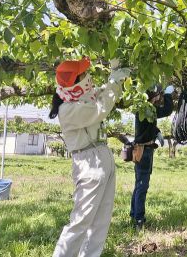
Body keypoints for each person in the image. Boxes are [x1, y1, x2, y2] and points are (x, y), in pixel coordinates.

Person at [49, 57, 130, 257]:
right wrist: (115, 79)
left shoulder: (78, 98)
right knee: (81, 220)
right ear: (75, 81)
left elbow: (100, 94)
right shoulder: (67, 109)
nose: (88, 75)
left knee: (101, 221)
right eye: (83, 73)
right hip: (89, 162)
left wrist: (114, 80)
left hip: (101, 156)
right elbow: (100, 108)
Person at [130, 84, 174, 230]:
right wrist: (168, 95)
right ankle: (139, 220)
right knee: (142, 185)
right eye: (159, 95)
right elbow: (167, 110)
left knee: (139, 184)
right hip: (144, 151)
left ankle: (134, 214)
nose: (159, 97)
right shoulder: (147, 109)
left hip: (142, 149)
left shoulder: (144, 109)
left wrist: (157, 132)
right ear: (153, 96)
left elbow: (149, 125)